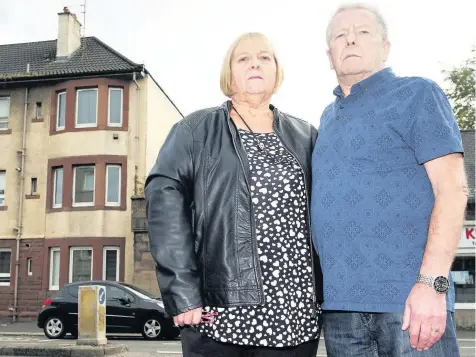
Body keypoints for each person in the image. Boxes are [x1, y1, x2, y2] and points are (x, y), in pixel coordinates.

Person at [145, 32, 323, 357]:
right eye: (243, 58)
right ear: (229, 72)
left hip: (295, 316)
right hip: (221, 317)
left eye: (264, 57)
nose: (255, 62)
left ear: (276, 70)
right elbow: (164, 198)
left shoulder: (306, 135)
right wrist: (182, 292)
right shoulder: (195, 130)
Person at [311, 3, 468, 357]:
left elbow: (453, 189)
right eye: (340, 35)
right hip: (340, 311)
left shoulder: (418, 95)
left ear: (385, 47)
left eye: (362, 32)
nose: (350, 39)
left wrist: (433, 284)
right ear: (329, 54)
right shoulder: (326, 119)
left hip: (409, 303)